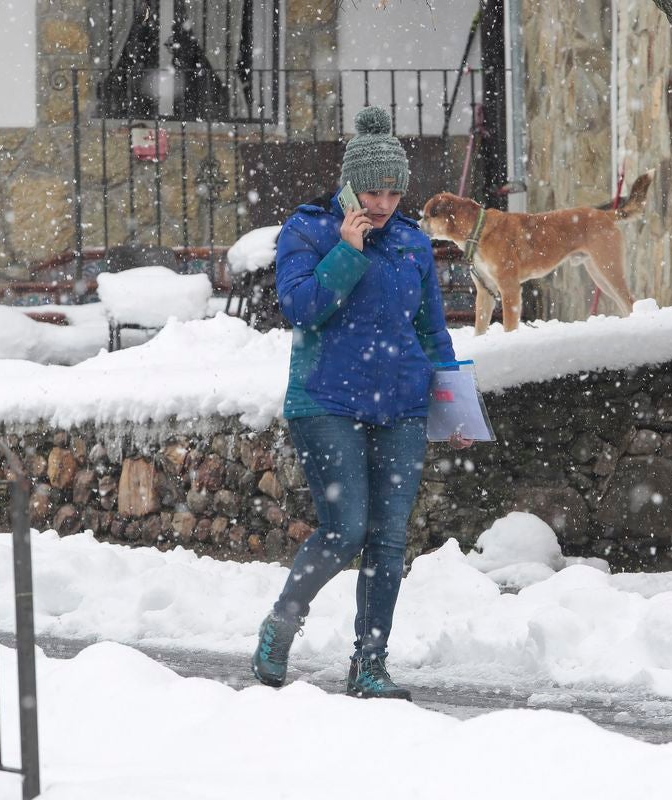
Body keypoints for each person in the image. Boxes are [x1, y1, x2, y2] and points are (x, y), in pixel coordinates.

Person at [252, 106, 469, 700]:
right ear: (350, 182)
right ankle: (282, 624)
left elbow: (432, 331)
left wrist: (454, 407)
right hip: (325, 401)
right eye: (372, 190)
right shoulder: (308, 229)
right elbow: (299, 308)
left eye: (394, 191)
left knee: (390, 539)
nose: (382, 202)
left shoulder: (411, 242)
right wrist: (346, 252)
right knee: (345, 529)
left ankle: (370, 664)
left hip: (399, 405)